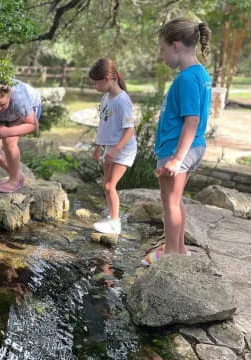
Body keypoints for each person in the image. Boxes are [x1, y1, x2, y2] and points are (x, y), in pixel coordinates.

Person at [142, 18, 211, 265]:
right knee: (175, 199)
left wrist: (176, 159)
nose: (161, 56)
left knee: (169, 201)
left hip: (178, 149)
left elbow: (191, 120)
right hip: (189, 147)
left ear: (175, 46)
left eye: (161, 49)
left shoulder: (186, 78)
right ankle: (178, 249)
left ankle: (171, 254)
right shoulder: (199, 74)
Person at [89, 58, 137, 235]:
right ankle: (112, 217)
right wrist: (98, 146)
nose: (95, 87)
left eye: (96, 83)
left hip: (123, 148)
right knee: (106, 185)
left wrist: (116, 149)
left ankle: (115, 223)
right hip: (110, 147)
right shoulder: (106, 98)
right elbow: (104, 125)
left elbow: (130, 129)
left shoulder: (122, 101)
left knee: (110, 186)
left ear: (107, 79)